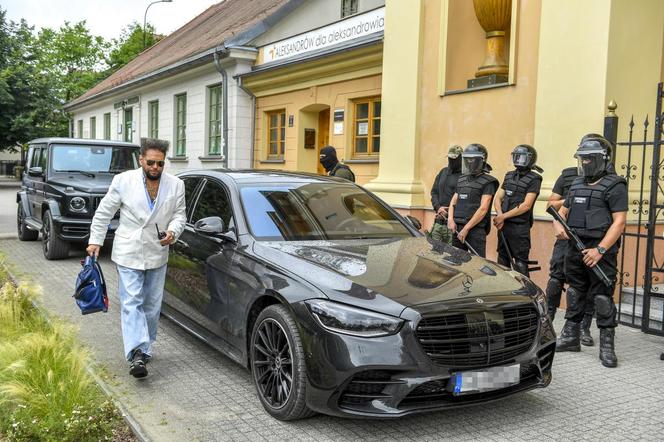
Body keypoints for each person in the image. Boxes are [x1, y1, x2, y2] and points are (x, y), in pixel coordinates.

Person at [87, 138, 186, 378]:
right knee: (132, 302)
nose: (155, 167)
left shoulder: (176, 185)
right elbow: (104, 212)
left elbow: (179, 215)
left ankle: (145, 348)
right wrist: (95, 240)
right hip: (128, 251)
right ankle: (136, 354)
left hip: (157, 251)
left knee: (151, 306)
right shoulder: (123, 181)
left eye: (160, 164)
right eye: (150, 162)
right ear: (141, 160)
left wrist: (173, 232)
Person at [553, 136, 627, 368]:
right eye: (581, 158)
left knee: (603, 297)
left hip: (600, 251)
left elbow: (619, 222)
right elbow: (561, 211)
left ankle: (607, 345)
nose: (584, 163)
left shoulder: (615, 185)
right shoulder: (575, 184)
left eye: (588, 159)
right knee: (575, 291)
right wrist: (559, 228)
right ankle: (571, 337)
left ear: (601, 160)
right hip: (575, 248)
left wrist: (600, 250)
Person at [493, 144, 543, 277]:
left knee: (520, 263)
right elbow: (498, 197)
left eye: (522, 157)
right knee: (502, 260)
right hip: (503, 225)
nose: (518, 160)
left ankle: (524, 293)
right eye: (517, 156)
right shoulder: (509, 175)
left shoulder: (535, 178)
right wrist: (499, 215)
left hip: (519, 227)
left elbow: (526, 205)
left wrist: (503, 217)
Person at [447, 143, 498, 257]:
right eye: (468, 159)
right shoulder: (462, 179)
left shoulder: (488, 182)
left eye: (473, 159)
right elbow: (453, 202)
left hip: (475, 230)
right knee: (456, 261)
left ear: (482, 160)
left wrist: (466, 228)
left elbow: (483, 209)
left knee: (477, 265)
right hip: (457, 227)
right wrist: (450, 219)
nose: (470, 162)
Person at [429, 145, 463, 243]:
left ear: (461, 158)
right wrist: (438, 207)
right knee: (433, 253)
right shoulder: (443, 172)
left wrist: (449, 213)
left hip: (453, 225)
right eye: (450, 158)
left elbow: (461, 199)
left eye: (454, 158)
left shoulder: (464, 176)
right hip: (438, 222)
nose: (451, 161)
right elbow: (434, 192)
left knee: (450, 256)